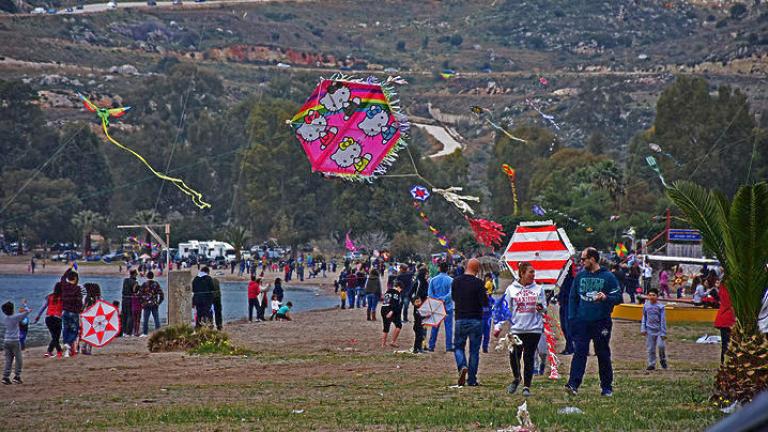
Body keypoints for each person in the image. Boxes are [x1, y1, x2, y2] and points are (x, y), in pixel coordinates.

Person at [565, 247, 622, 397]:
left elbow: (618, 297)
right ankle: (573, 384)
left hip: (601, 322)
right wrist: (572, 319)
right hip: (582, 322)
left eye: (584, 259)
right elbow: (573, 298)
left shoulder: (608, 277)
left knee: (602, 353)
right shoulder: (580, 277)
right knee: (579, 353)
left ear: (593, 259)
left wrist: (606, 298)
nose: (581, 262)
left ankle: (606, 387)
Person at [494, 261, 546, 396]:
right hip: (516, 330)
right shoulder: (511, 289)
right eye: (530, 272)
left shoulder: (538, 289)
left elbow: (544, 308)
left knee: (529, 357)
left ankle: (527, 387)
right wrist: (498, 326)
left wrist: (541, 308)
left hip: (533, 329)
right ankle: (517, 378)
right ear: (522, 273)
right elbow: (505, 309)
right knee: (514, 356)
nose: (533, 275)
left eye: (534, 272)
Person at [452, 258, 487, 387]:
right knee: (474, 351)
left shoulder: (456, 281)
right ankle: (472, 379)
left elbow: (454, 298)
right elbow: (484, 303)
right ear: (477, 269)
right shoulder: (479, 283)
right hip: (476, 319)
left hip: (460, 318)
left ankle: (462, 366)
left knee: (458, 347)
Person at [427, 262, 454, 352]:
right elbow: (451, 293)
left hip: (437, 306)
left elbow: (430, 294)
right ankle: (448, 346)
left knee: (435, 327)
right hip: (448, 306)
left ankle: (431, 346)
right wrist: (443, 299)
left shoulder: (433, 280)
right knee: (449, 328)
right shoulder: (451, 280)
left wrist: (437, 299)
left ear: (439, 269)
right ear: (448, 269)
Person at [3, 301, 30, 385]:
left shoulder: (5, 318)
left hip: (6, 340)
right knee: (19, 360)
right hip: (15, 341)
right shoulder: (15, 317)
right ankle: (17, 377)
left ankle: (5, 377)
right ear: (12, 309)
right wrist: (25, 305)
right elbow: (27, 312)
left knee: (8, 360)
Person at [641, 288, 667, 370]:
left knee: (661, 346)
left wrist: (663, 332)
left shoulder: (661, 307)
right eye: (650, 295)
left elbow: (663, 320)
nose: (652, 297)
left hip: (659, 330)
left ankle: (663, 359)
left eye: (654, 295)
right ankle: (651, 363)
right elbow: (644, 317)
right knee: (651, 348)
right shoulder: (646, 306)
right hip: (649, 331)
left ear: (657, 296)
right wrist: (643, 328)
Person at [33, 283, 63, 357]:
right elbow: (65, 309)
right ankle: (59, 351)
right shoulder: (63, 298)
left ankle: (49, 351)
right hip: (57, 318)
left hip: (48, 318)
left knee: (54, 336)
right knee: (56, 336)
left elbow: (43, 308)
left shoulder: (50, 297)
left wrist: (38, 317)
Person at [60, 270, 83, 357]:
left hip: (65, 311)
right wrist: (80, 309)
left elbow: (62, 278)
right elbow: (79, 301)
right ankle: (68, 344)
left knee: (66, 329)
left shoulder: (64, 286)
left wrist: (68, 269)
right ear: (76, 278)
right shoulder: (77, 288)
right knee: (74, 331)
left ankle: (66, 349)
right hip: (74, 312)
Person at [714, 281, 735, 364]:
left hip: (724, 318)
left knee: (725, 344)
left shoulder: (724, 286)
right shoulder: (728, 286)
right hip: (728, 319)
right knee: (727, 345)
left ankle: (725, 363)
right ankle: (726, 364)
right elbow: (728, 302)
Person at [557, 263, 576, 355]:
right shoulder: (563, 280)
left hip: (569, 305)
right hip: (563, 304)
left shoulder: (572, 280)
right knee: (564, 327)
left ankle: (571, 347)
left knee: (568, 327)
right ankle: (570, 346)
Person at [411, 266, 429, 354]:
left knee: (422, 327)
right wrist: (415, 302)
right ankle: (416, 348)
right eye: (426, 274)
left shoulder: (426, 283)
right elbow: (410, 294)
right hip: (418, 308)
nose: (427, 276)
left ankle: (419, 347)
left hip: (425, 308)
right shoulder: (417, 283)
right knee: (418, 327)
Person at [380, 280, 403, 347]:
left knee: (386, 327)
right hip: (391, 310)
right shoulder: (396, 293)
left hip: (383, 309)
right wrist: (391, 311)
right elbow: (394, 303)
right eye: (401, 289)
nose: (400, 291)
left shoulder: (388, 292)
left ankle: (383, 344)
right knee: (399, 325)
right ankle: (393, 341)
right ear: (398, 287)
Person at [81, 283, 102, 354]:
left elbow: (82, 307)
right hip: (94, 316)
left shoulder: (86, 298)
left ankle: (83, 346)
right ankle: (88, 349)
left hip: (86, 316)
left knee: (86, 331)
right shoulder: (96, 299)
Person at [121, 270, 139, 337]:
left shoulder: (125, 280)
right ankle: (128, 333)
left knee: (124, 315)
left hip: (124, 299)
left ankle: (124, 332)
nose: (137, 275)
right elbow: (135, 291)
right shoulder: (135, 282)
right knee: (130, 316)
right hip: (130, 299)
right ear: (134, 274)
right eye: (136, 274)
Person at [481, 274, 496, 354]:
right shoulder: (481, 299)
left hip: (487, 318)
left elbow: (494, 307)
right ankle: (482, 346)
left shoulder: (491, 300)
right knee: (482, 334)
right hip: (483, 318)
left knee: (486, 334)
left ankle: (485, 347)